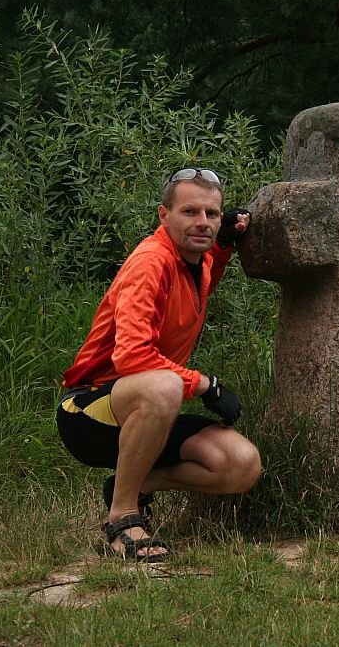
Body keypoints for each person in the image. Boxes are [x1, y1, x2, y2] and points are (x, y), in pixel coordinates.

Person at [56, 167, 262, 562]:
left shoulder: (194, 261)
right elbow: (132, 357)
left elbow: (200, 284)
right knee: (166, 384)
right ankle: (122, 520)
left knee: (241, 464)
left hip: (148, 410)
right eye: (190, 212)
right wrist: (205, 385)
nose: (203, 222)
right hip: (88, 412)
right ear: (164, 215)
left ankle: (133, 487)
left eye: (212, 214)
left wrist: (222, 247)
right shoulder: (152, 261)